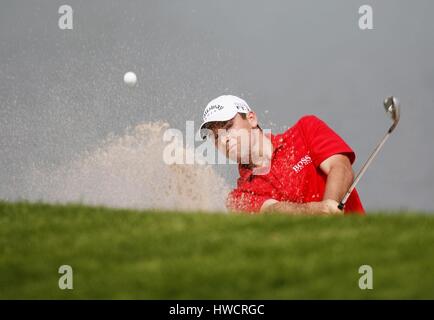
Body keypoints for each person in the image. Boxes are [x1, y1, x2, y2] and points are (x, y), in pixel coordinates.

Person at [199, 95, 365, 215]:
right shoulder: (240, 198)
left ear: (251, 119)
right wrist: (318, 211)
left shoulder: (305, 130)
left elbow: (341, 167)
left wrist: (330, 205)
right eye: (216, 136)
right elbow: (274, 210)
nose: (224, 139)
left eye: (228, 127)